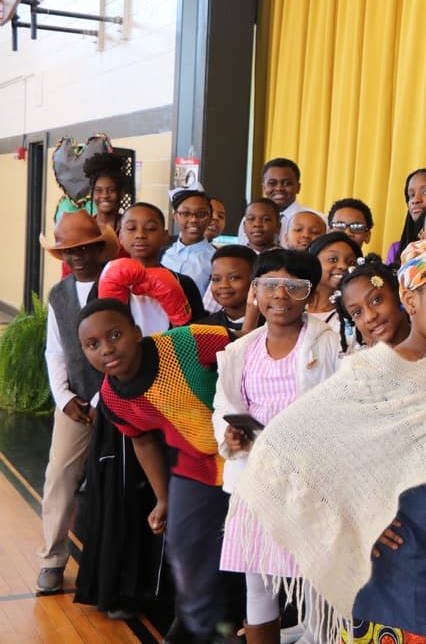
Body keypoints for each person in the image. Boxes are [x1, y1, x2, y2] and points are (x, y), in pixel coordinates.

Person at [226, 238, 426, 644]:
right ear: (410, 300)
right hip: (389, 579)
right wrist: (351, 518)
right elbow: (284, 448)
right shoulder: (367, 378)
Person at [78, 298, 234, 644]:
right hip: (197, 464)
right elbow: (143, 441)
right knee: (183, 543)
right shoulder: (112, 399)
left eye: (115, 335)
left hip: (248, 452)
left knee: (251, 545)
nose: (106, 349)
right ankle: (202, 625)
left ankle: (254, 623)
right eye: (92, 344)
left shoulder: (187, 341)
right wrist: (163, 499)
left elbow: (248, 348)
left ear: (137, 332)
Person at [214, 250, 339, 644]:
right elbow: (225, 406)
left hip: (309, 482)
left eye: (294, 287)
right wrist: (229, 437)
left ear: (310, 294)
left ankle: (319, 636)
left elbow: (340, 408)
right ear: (255, 291)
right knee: (258, 581)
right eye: (270, 285)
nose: (280, 295)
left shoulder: (327, 343)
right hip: (256, 479)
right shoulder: (241, 350)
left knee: (319, 578)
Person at [36, 212, 119, 596]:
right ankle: (52, 560)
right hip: (74, 401)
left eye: (85, 248)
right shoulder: (59, 294)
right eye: (69, 251)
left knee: (112, 482)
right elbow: (55, 350)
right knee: (59, 476)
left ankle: (110, 565)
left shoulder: (116, 285)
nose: (78, 256)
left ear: (99, 248)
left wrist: (103, 398)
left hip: (117, 398)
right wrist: (65, 398)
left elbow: (128, 346)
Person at [111, 202, 205, 332]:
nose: (140, 235)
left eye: (150, 228)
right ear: (120, 237)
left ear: (165, 236)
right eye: (132, 228)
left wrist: (180, 320)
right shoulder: (108, 282)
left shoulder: (184, 283)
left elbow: (199, 334)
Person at [336, 255, 410, 349]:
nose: (370, 317)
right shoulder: (361, 359)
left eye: (376, 300)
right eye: (357, 312)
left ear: (398, 294)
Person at [305, 232, 363, 349]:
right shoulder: (294, 306)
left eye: (351, 262)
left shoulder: (356, 315)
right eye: (333, 259)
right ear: (312, 263)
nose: (343, 266)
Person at [238, 158, 307, 246]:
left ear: (298, 187)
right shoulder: (249, 220)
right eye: (272, 183)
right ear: (264, 188)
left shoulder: (315, 219)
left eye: (287, 183)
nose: (279, 188)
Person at [162, 189, 216, 294]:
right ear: (175, 216)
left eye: (201, 214)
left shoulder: (215, 259)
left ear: (210, 217)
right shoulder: (161, 254)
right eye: (186, 213)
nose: (193, 220)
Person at [198, 245, 258, 333]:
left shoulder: (271, 326)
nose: (223, 285)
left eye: (234, 278)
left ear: (255, 280)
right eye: (216, 279)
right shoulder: (202, 328)